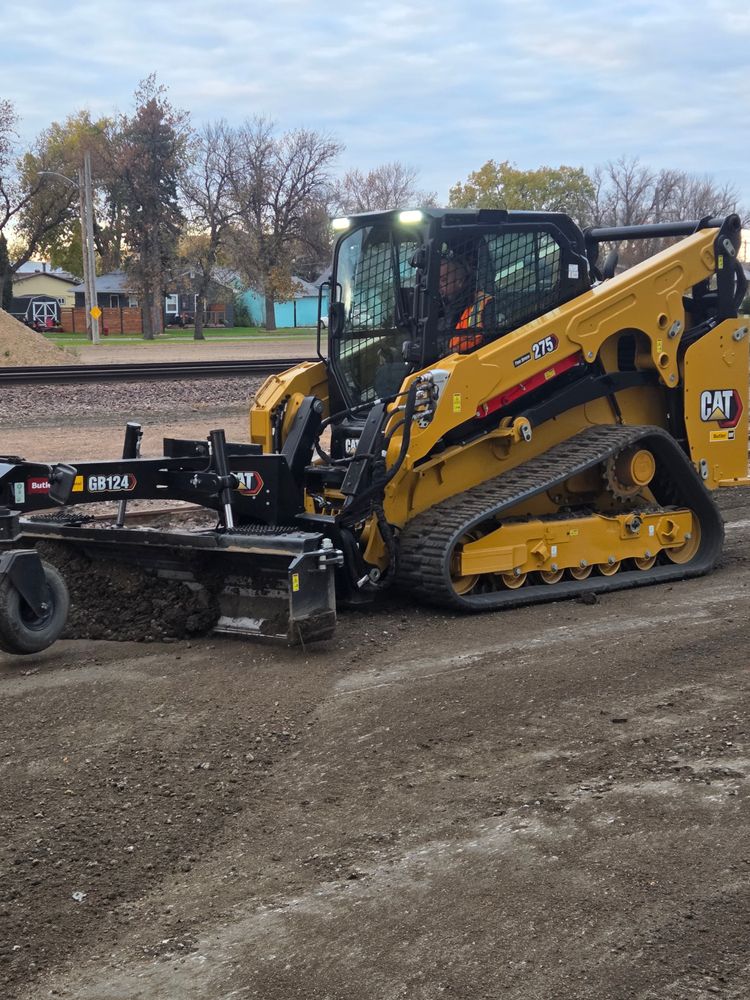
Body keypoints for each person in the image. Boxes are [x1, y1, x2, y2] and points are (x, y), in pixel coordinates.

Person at [437, 254, 494, 354]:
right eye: (437, 281)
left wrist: (452, 351)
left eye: (444, 280)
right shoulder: (445, 309)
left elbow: (489, 340)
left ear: (460, 281)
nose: (439, 285)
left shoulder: (484, 304)